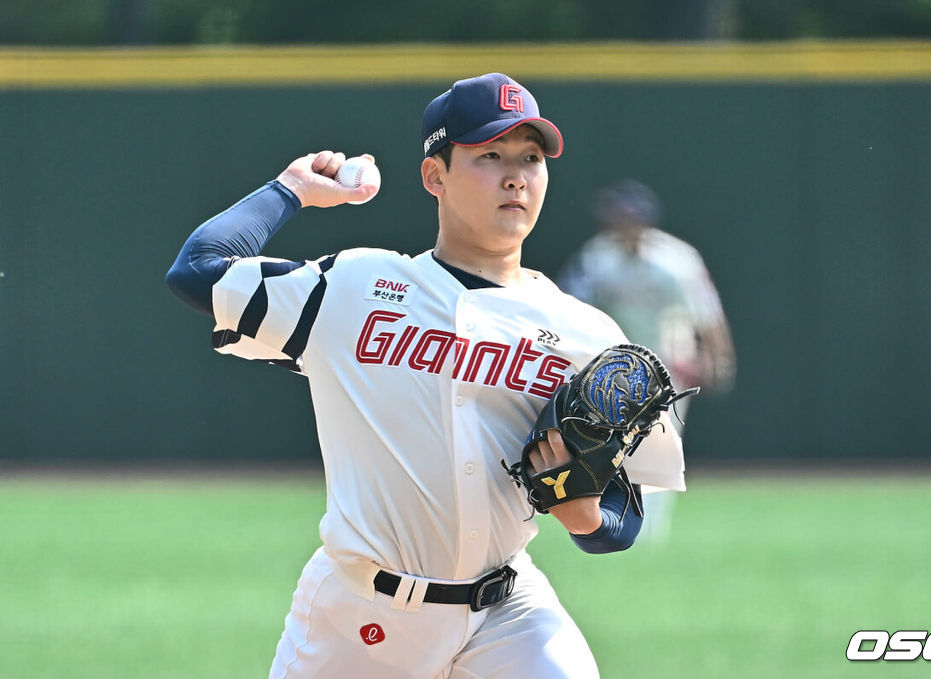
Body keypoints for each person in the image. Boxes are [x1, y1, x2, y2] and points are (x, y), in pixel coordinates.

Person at [166, 73, 687, 679]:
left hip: (506, 614)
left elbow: (623, 518)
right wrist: (292, 191)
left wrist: (589, 519)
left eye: (530, 157)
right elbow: (198, 269)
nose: (515, 174)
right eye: (489, 155)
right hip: (358, 619)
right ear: (434, 175)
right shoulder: (354, 289)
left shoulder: (585, 333)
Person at [559, 179, 735, 542]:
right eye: (617, 217)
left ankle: (651, 534)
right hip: (615, 370)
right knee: (613, 450)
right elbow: (568, 308)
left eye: (629, 217)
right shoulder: (597, 258)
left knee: (661, 447)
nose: (623, 224)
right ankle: (618, 525)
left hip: (668, 367)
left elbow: (708, 313)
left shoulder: (676, 260)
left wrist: (720, 357)